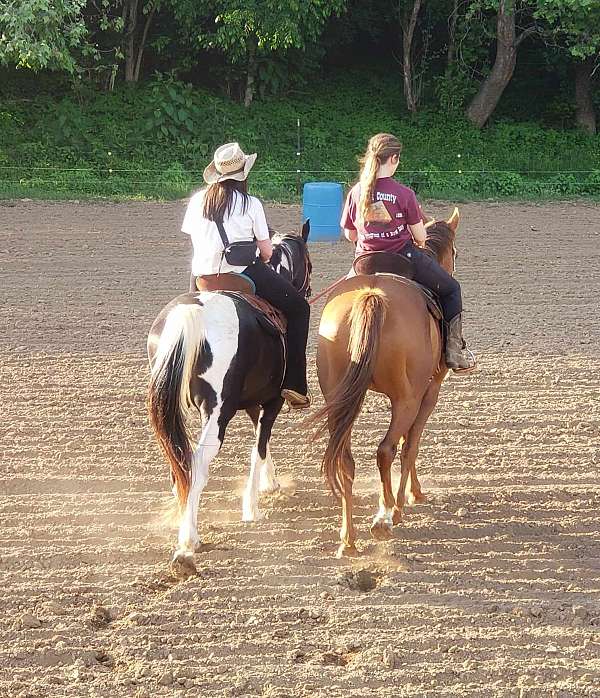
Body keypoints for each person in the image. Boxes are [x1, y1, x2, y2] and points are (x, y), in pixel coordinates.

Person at [181, 142, 311, 408]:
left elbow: (195, 239)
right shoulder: (251, 204)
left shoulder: (197, 201)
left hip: (201, 278)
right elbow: (266, 252)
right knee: (300, 309)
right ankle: (294, 384)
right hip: (242, 274)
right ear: (243, 174)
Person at [340, 133, 476, 373]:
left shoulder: (357, 192)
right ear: (393, 158)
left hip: (363, 263)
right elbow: (421, 238)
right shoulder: (404, 194)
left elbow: (350, 235)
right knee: (452, 289)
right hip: (402, 259)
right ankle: (453, 351)